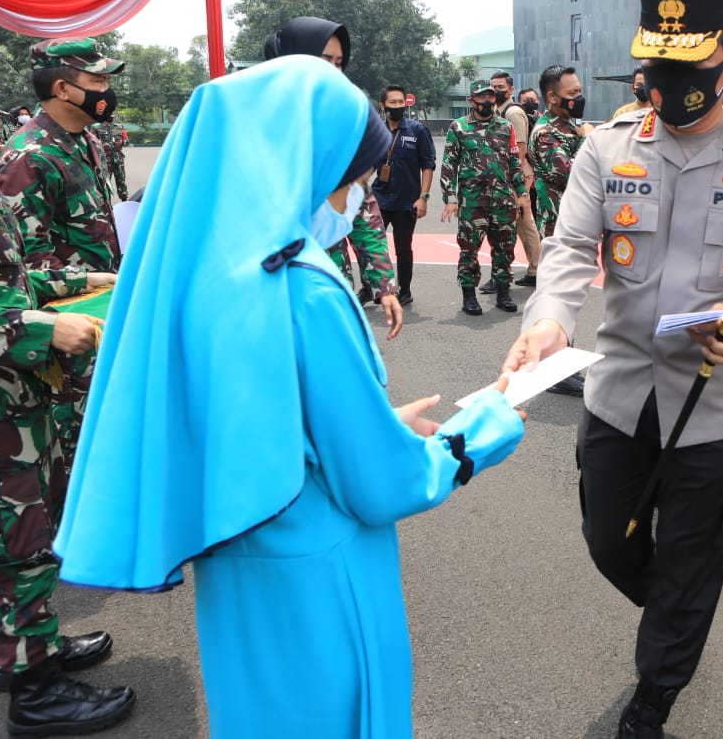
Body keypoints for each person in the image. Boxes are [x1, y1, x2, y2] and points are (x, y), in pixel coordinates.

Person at [51, 56, 525, 736]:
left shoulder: (202, 270)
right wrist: (485, 424)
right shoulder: (302, 284)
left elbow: (254, 422)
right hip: (320, 576)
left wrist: (374, 422)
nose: (357, 196)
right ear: (314, 163)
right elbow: (381, 484)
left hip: (238, 573)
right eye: (356, 179)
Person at [502, 0, 723, 739]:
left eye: (690, 69)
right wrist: (550, 321)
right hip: (618, 393)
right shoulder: (608, 147)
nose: (670, 86)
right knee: (608, 544)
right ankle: (679, 612)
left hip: (716, 409)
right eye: (659, 69)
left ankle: (656, 694)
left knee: (689, 563)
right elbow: (572, 249)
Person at [0, 24, 133, 736]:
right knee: (9, 532)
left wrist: (77, 279)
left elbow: (1, 274)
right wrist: (40, 328)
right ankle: (32, 689)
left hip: (12, 390)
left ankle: (34, 646)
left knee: (31, 526)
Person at [0, 38, 124, 494]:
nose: (107, 90)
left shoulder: (84, 140)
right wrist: (85, 278)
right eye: (98, 80)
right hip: (67, 335)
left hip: (102, 315)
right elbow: (16, 265)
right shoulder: (29, 157)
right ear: (65, 89)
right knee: (78, 454)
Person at [262, 16, 403, 338]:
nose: (333, 73)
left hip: (327, 280)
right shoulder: (253, 123)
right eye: (324, 60)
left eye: (340, 63)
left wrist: (385, 287)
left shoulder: (339, 128)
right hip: (264, 288)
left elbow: (363, 212)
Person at [442, 79, 527, 315]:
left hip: (502, 200)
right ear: (471, 100)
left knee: (504, 249)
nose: (488, 101)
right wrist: (450, 197)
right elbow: (449, 164)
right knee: (469, 250)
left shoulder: (505, 127)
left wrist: (521, 193)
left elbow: (513, 161)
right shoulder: (458, 128)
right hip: (472, 202)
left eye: (491, 96)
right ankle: (469, 296)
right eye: (482, 97)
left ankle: (503, 293)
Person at [373, 84, 436, 306]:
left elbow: (428, 165)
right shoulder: (375, 131)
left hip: (407, 201)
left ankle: (404, 290)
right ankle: (373, 287)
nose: (398, 106)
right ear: (383, 106)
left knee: (403, 247)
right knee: (372, 246)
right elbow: (368, 166)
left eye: (401, 102)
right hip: (379, 198)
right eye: (393, 102)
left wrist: (423, 197)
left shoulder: (418, 130)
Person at [479, 70, 542, 290]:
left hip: (514, 176)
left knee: (519, 224)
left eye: (500, 87)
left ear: (511, 89)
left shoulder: (512, 112)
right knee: (519, 226)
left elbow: (520, 149)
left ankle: (529, 271)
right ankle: (533, 270)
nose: (496, 91)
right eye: (493, 86)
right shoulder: (498, 111)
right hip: (505, 176)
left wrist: (515, 184)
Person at [530, 64, 592, 240]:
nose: (578, 98)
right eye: (572, 94)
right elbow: (572, 174)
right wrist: (587, 139)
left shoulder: (566, 125)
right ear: (552, 97)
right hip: (557, 228)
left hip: (575, 222)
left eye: (579, 92)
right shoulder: (546, 134)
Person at [92, 118, 129, 201]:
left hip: (118, 159)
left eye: (112, 113)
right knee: (104, 183)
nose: (111, 115)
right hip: (103, 160)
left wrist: (122, 142)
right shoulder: (96, 127)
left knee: (121, 182)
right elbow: (91, 142)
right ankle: (106, 205)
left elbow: (127, 141)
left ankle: (124, 202)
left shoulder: (119, 127)